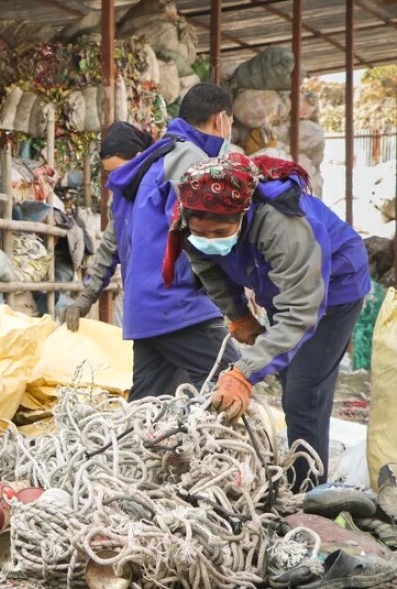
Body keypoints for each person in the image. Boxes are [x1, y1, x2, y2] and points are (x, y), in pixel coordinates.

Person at [164, 153, 370, 488]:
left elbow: (301, 310)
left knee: (304, 392)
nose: (211, 239)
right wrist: (239, 314)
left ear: (244, 214)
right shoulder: (189, 223)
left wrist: (244, 373)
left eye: (221, 231)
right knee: (290, 378)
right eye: (203, 233)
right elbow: (208, 268)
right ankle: (300, 471)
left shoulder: (281, 224)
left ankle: (308, 491)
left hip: (334, 289)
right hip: (277, 287)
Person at [65, 84, 240, 400]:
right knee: (234, 381)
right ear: (221, 120)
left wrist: (88, 294)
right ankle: (223, 450)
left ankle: (145, 448)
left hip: (145, 312)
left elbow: (111, 243)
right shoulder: (189, 159)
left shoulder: (148, 170)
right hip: (177, 306)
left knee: (149, 406)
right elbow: (206, 230)